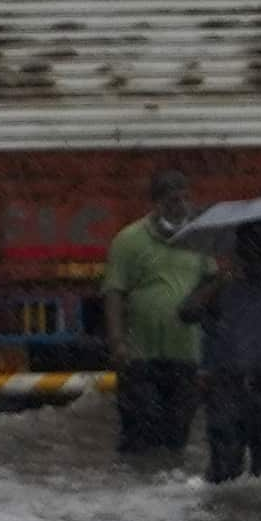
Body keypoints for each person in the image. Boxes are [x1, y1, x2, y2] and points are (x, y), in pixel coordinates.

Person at [188, 215, 261, 484]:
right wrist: (219, 281)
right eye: (252, 245)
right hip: (227, 391)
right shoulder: (219, 285)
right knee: (225, 475)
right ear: (238, 250)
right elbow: (186, 312)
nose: (257, 251)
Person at [102, 173, 206, 455]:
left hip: (184, 355)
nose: (181, 206)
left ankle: (167, 490)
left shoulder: (198, 240)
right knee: (139, 433)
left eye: (186, 198)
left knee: (177, 433)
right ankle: (139, 491)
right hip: (140, 357)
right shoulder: (129, 240)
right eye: (174, 200)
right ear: (157, 203)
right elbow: (114, 291)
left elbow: (211, 284)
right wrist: (117, 342)